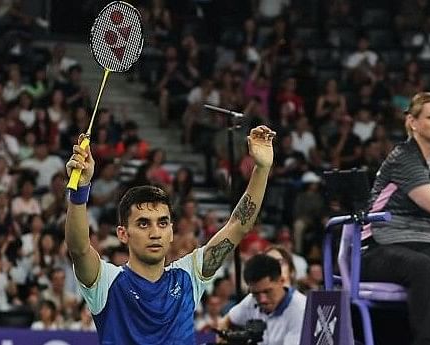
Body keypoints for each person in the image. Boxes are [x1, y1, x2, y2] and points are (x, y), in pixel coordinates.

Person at [64, 125, 275, 344]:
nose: (155, 233)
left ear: (172, 231)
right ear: (123, 234)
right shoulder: (107, 282)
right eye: (143, 224)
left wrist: (262, 168)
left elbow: (238, 225)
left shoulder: (189, 276)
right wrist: (80, 190)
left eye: (162, 223)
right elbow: (79, 249)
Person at [360, 92, 430, 345]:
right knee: (422, 267)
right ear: (413, 122)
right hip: (377, 250)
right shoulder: (403, 158)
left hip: (420, 247)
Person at [219, 255, 306, 345]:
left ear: (281, 281)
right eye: (256, 293)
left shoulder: (300, 311)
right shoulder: (251, 300)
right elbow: (225, 321)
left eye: (267, 291)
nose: (262, 300)